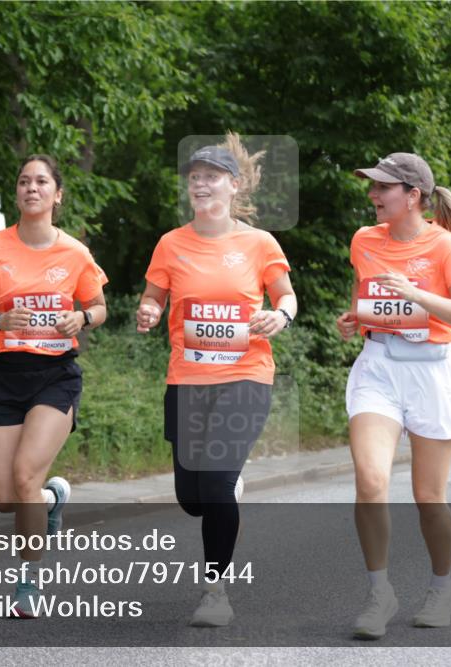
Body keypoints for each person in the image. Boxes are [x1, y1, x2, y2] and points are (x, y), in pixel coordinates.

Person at [136, 133, 297, 627]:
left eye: (210, 177)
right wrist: (147, 311)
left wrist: (280, 317)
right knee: (192, 498)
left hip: (245, 374)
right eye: (194, 178)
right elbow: (154, 298)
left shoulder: (259, 243)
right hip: (188, 378)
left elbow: (286, 296)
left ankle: (215, 591)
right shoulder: (171, 243)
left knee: (219, 483)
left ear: (233, 185)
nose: (200, 184)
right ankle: (221, 489)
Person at [337, 153, 451, 639]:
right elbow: (370, 302)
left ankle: (443, 587)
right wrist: (355, 318)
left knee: (428, 498)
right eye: (372, 187)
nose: (373, 196)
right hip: (378, 366)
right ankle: (379, 593)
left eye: (383, 188)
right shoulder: (363, 240)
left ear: (413, 196)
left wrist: (418, 295)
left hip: (433, 372)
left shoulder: (445, 248)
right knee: (371, 479)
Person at [0, 154, 108, 617]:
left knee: (24, 474)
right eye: (24, 181)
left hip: (54, 376)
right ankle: (52, 499)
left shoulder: (74, 253)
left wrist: (81, 317)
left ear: (57, 195)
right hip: (3, 376)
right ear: (17, 193)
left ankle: (28, 582)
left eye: (42, 181)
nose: (32, 188)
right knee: (6, 499)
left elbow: (99, 308)